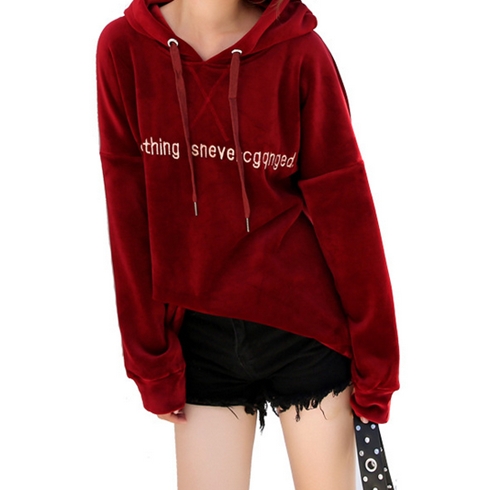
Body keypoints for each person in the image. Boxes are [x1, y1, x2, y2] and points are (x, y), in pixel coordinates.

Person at [96, 0, 399, 488]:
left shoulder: (301, 52)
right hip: (199, 340)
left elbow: (347, 211)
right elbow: (127, 213)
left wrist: (377, 362)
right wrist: (149, 359)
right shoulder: (124, 48)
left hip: (307, 332)